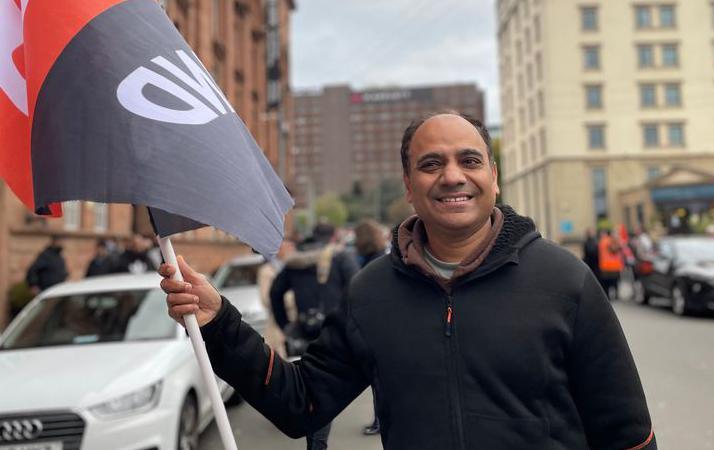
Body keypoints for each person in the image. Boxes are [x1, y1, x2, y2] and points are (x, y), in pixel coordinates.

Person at [159, 112, 656, 449]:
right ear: (409, 186)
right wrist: (218, 322)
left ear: (493, 177)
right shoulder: (371, 294)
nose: (453, 176)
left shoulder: (565, 280)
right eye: (431, 164)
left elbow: (627, 432)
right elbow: (301, 403)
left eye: (470, 160)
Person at [268, 222, 359, 450]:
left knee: (310, 388)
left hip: (303, 331)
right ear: (334, 235)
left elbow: (275, 292)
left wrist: (286, 325)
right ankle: (317, 444)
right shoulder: (341, 258)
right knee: (325, 390)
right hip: (335, 332)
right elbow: (358, 292)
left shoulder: (294, 262)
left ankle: (314, 441)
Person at [353, 219, 389, 436]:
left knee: (380, 380)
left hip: (380, 328)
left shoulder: (370, 265)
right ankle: (379, 420)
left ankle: (379, 420)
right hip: (384, 326)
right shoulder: (380, 258)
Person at [598, 229, 624, 300]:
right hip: (611, 267)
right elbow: (613, 249)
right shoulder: (608, 241)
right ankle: (614, 295)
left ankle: (609, 295)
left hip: (607, 267)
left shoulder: (602, 241)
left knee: (609, 283)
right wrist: (619, 244)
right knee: (613, 282)